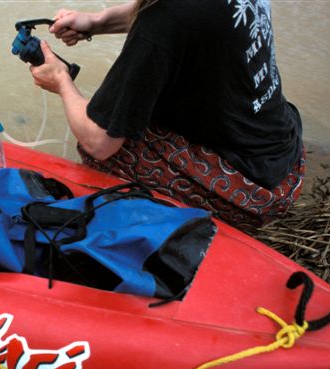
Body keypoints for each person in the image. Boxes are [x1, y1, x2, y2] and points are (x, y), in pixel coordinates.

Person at [29, 0, 304, 227]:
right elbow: (177, 16)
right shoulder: (170, 15)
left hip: (255, 196)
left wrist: (62, 82)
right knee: (126, 107)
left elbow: (99, 142)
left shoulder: (161, 23)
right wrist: (95, 21)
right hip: (287, 156)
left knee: (103, 132)